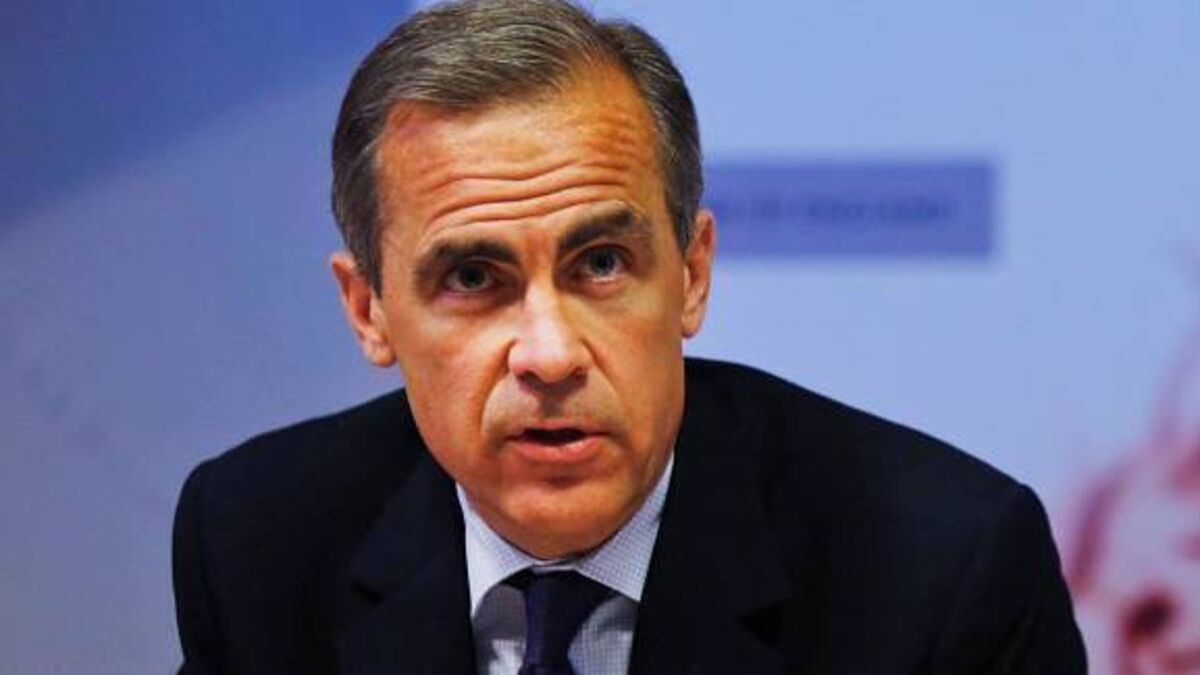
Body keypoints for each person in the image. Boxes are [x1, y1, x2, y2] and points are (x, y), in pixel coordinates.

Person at [172, 1, 1086, 673]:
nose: (550, 354)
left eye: (601, 264)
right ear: (368, 309)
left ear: (692, 273)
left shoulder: (939, 572)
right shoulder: (260, 543)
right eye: (474, 278)